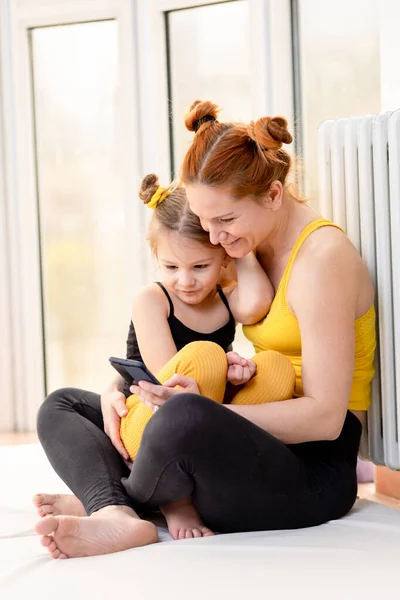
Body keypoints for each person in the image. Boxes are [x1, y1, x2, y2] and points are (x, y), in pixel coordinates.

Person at [34, 99, 376, 560]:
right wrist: (123, 389)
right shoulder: (245, 247)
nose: (214, 237)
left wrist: (203, 410)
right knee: (65, 405)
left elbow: (325, 417)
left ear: (273, 194)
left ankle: (112, 497)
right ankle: (116, 507)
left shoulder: (322, 260)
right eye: (206, 220)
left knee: (184, 416)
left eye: (225, 220)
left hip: (309, 469)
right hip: (248, 433)